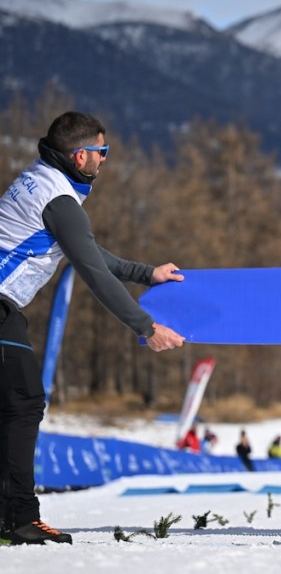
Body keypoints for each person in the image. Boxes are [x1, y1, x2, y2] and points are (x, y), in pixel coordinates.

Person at [0, 111, 185, 546]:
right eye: (102, 152)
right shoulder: (60, 201)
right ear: (80, 155)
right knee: (23, 402)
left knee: (13, 403)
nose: (105, 160)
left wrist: (146, 273)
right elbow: (93, 272)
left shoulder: (43, 178)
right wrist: (146, 326)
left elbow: (87, 249)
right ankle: (19, 518)